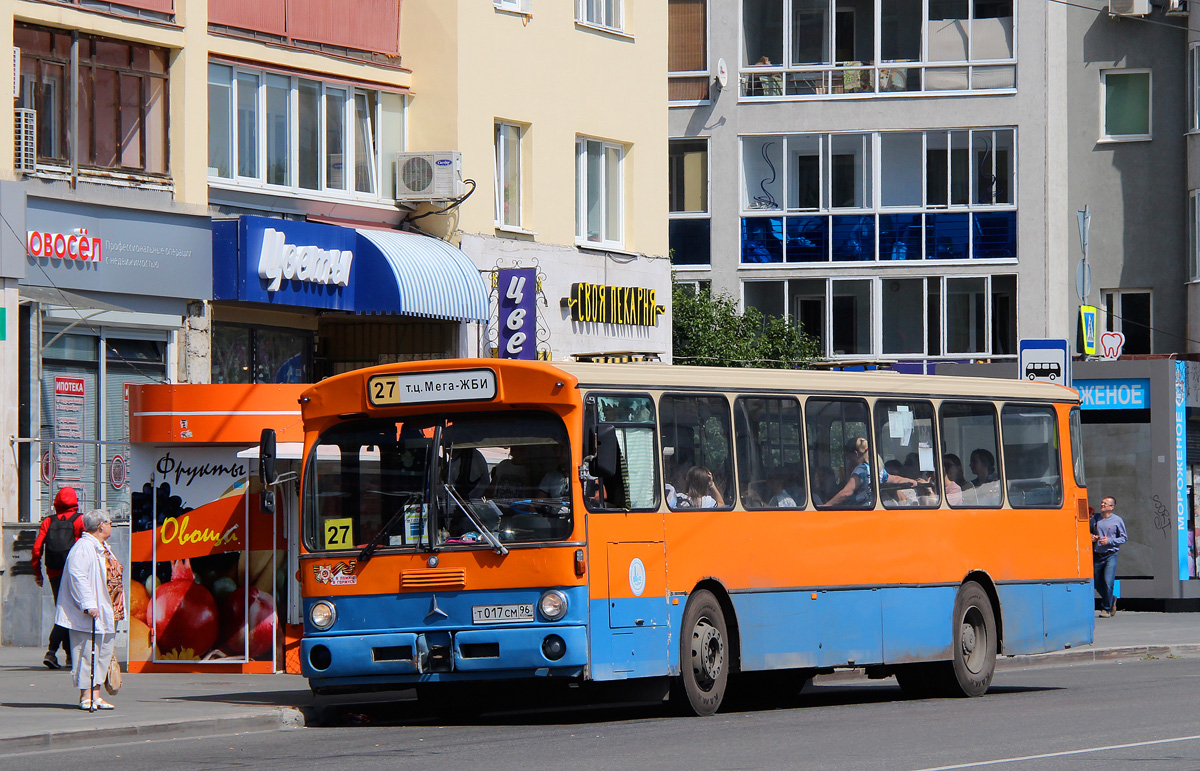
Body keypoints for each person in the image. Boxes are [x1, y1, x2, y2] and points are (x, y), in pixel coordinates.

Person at [55, 509, 121, 711]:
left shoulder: (102, 547)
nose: (111, 525)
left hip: (108, 609)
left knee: (103, 653)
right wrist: (88, 604)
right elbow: (77, 577)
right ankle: (86, 696)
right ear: (101, 525)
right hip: (92, 611)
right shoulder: (83, 547)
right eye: (109, 522)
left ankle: (97, 694)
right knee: (86, 652)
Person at [31, 487, 85, 670]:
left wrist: (37, 572)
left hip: (53, 571)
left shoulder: (48, 521)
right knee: (69, 613)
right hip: (73, 572)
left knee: (63, 609)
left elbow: (37, 548)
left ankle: (68, 654)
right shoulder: (79, 520)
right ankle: (53, 651)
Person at [825, 437, 926, 508]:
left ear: (855, 454)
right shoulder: (875, 468)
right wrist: (913, 481)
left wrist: (826, 505)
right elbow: (895, 479)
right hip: (870, 507)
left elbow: (846, 493)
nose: (848, 460)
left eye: (848, 456)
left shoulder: (861, 471)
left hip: (859, 510)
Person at [1092, 496, 1128, 618]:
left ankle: (1105, 608)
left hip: (1110, 555)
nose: (1102, 504)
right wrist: (1092, 537)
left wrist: (1109, 540)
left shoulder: (1117, 520)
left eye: (1105, 503)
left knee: (1108, 582)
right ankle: (1111, 599)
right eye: (1102, 502)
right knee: (1097, 583)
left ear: (1112, 507)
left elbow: (1123, 538)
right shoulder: (1095, 518)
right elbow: (1088, 531)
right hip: (1097, 555)